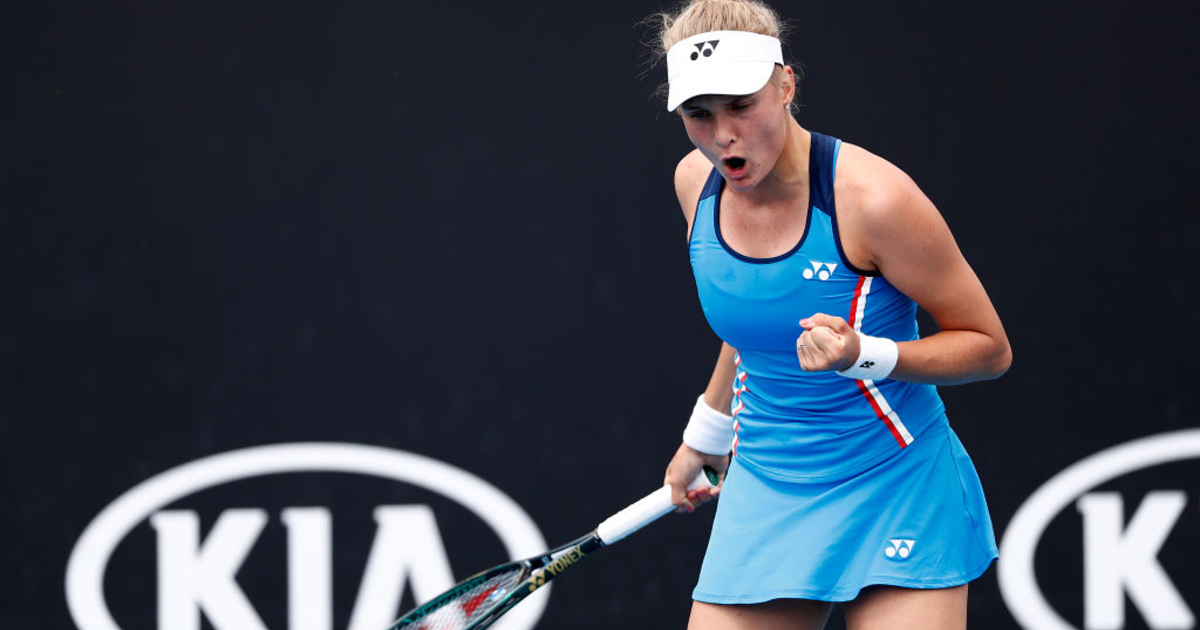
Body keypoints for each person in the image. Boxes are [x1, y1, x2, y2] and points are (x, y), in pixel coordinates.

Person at [652, 1, 1012, 628]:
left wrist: (862, 355)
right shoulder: (695, 185)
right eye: (699, 114)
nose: (722, 135)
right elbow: (755, 329)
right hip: (765, 481)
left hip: (895, 480)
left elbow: (988, 347)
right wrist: (705, 436)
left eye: (741, 105)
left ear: (786, 85)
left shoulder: (874, 200)